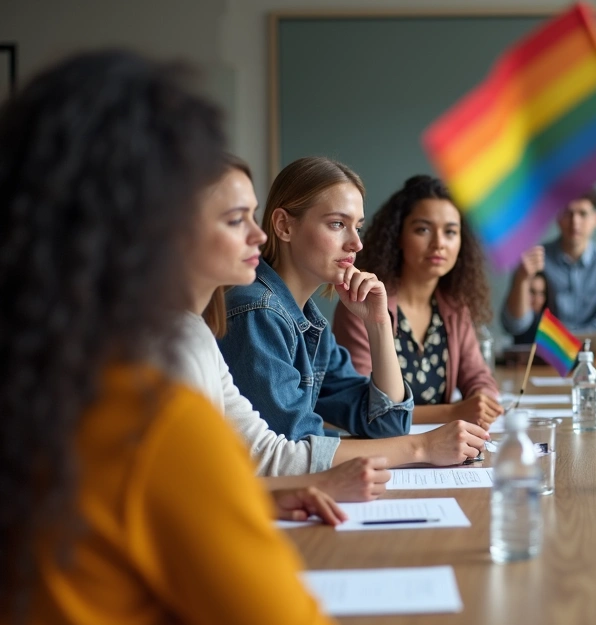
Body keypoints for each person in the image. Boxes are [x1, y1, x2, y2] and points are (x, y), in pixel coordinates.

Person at [0, 50, 340, 625]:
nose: (254, 235)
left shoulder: (37, 380)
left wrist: (239, 502)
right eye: (233, 217)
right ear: (156, 230)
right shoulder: (153, 421)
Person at [181, 156, 484, 501]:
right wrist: (422, 447)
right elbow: (296, 454)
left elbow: (386, 424)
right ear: (284, 226)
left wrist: (378, 325)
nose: (357, 244)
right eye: (338, 224)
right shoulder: (257, 310)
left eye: (358, 227)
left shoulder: (308, 320)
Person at [335, 174, 502, 427]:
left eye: (450, 232)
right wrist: (453, 412)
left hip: (442, 449)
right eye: (423, 229)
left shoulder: (454, 306)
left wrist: (482, 400)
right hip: (384, 446)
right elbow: (363, 404)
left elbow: (479, 377)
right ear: (398, 236)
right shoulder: (364, 302)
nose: (439, 244)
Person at [500, 188, 596, 335]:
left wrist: (563, 343)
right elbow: (515, 326)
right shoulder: (534, 260)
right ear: (557, 217)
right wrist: (521, 280)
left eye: (583, 214)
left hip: (592, 353)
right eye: (568, 213)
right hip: (540, 355)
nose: (575, 222)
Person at [513, 272, 553, 345]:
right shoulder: (514, 323)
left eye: (542, 293)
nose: (537, 300)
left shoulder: (550, 328)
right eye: (532, 292)